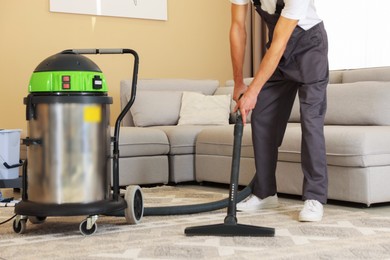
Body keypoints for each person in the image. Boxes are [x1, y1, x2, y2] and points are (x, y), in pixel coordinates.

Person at [230, 0, 329, 222]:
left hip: (309, 48)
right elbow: (238, 26)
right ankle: (265, 192)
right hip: (279, 50)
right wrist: (238, 82)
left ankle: (314, 197)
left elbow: (281, 42)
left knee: (311, 121)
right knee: (263, 115)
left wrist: (253, 91)